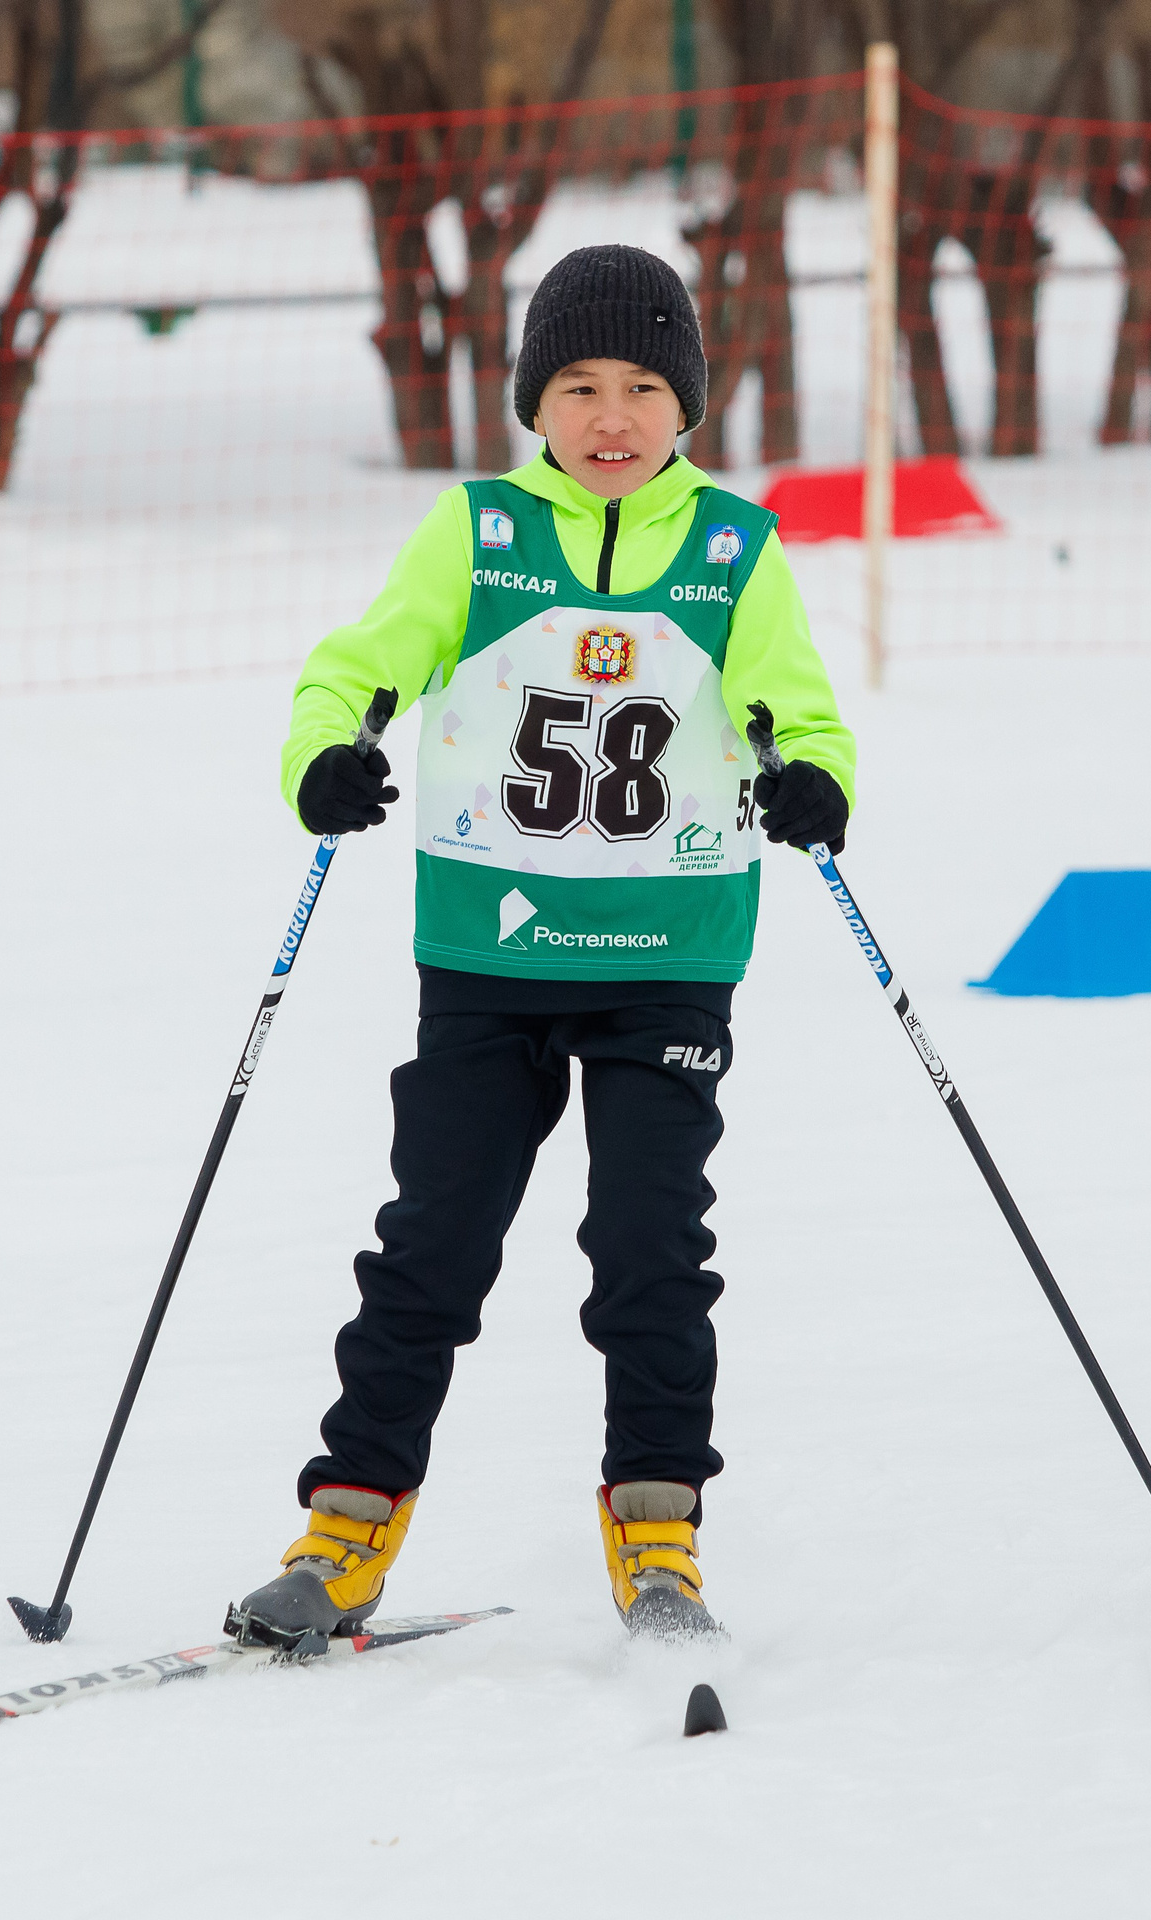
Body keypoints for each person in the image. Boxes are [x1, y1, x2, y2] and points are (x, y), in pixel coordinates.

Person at [227, 244, 856, 1649]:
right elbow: (357, 666)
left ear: (686, 402)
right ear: (537, 399)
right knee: (430, 1248)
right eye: (579, 385)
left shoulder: (735, 552)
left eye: (643, 385)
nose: (611, 416)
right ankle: (346, 1530)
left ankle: (657, 1534)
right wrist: (328, 754)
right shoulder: (476, 534)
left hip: (665, 958)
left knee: (648, 1253)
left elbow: (799, 712)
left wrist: (812, 775)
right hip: (489, 955)